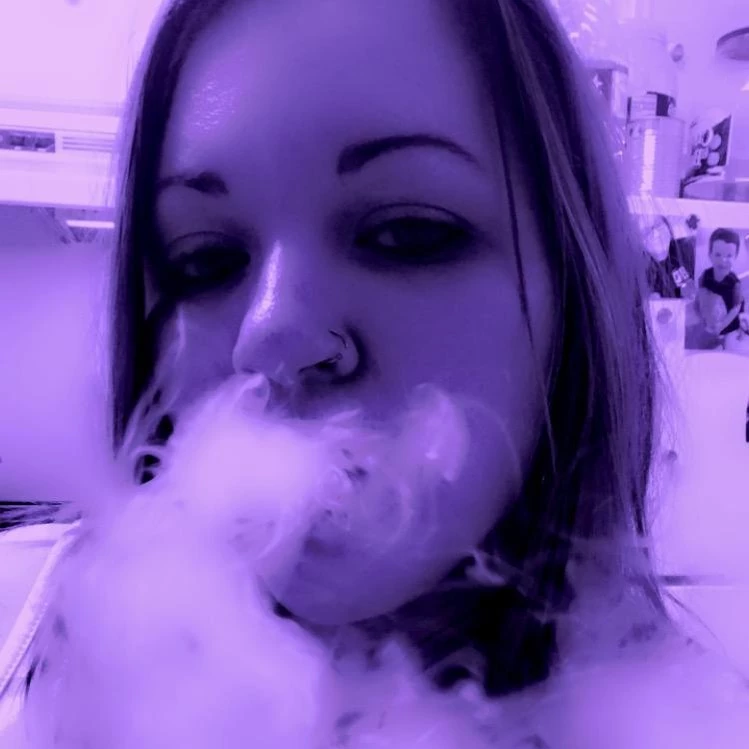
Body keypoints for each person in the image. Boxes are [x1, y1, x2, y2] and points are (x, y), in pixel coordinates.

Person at [1, 1, 748, 747]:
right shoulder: (44, 651)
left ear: (572, 303)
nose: (271, 334)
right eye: (205, 260)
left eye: (405, 232)